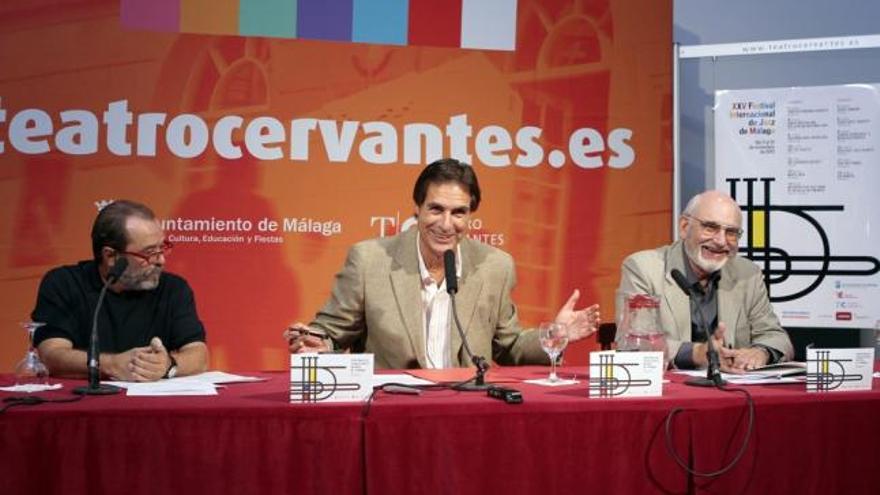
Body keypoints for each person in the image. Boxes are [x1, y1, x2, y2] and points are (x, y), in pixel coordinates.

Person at [286, 158, 601, 369]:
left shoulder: (495, 266)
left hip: (466, 411)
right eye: (436, 209)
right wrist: (315, 344)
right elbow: (329, 332)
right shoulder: (369, 260)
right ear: (418, 210)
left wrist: (557, 333)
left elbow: (509, 346)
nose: (446, 224)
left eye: (458, 213)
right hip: (392, 410)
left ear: (470, 215)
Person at [616, 190, 793, 371]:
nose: (721, 241)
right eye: (710, 227)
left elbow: (775, 336)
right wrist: (698, 353)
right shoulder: (644, 268)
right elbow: (635, 344)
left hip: (733, 390)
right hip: (670, 392)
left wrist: (761, 353)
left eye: (731, 232)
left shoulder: (748, 274)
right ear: (685, 227)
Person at [32, 200, 208, 381]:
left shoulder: (173, 289)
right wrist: (112, 364)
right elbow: (51, 354)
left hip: (153, 404)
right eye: (149, 252)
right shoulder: (64, 284)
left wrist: (167, 364)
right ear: (111, 256)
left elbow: (199, 355)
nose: (161, 260)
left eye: (162, 248)